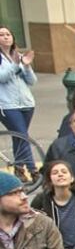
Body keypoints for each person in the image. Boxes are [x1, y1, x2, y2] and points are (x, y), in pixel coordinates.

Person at [0, 25, 37, 176]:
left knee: (19, 138)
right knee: (22, 135)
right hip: (7, 105)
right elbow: (2, 77)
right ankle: (33, 171)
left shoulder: (18, 55)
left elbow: (32, 81)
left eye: (8, 34)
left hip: (26, 104)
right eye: (1, 35)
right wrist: (15, 65)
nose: (6, 37)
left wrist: (26, 67)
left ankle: (19, 170)